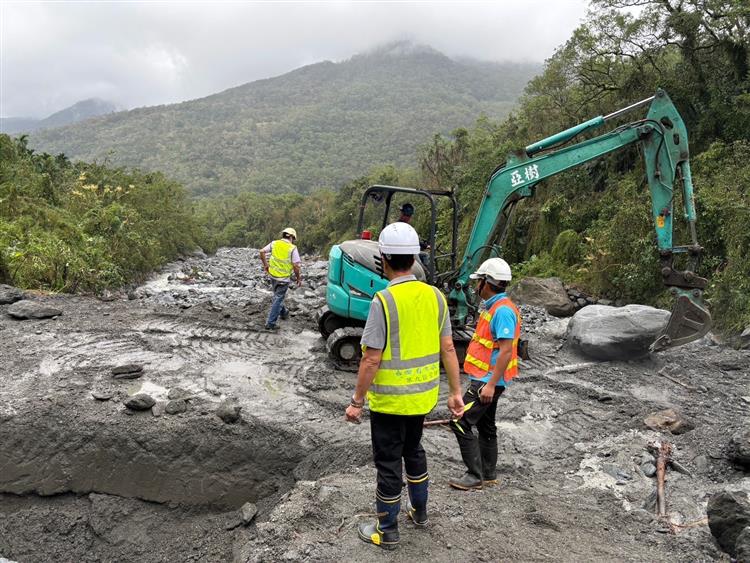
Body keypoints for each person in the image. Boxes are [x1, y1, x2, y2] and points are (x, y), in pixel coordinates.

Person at [344, 222, 464, 550]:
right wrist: (455, 393)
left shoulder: (382, 301)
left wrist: (356, 401)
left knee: (388, 462)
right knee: (414, 451)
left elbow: (370, 359)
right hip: (422, 399)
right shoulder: (436, 297)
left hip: (389, 404)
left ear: (383, 259)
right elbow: (449, 348)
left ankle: (387, 531)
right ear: (414, 259)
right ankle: (420, 513)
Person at [448, 257, 521, 491]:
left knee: (459, 422)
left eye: (479, 280)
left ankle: (474, 475)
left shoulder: (502, 312)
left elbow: (506, 350)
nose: (476, 285)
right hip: (486, 378)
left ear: (487, 283)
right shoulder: (495, 307)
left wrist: (489, 384)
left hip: (486, 381)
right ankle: (488, 473)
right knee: (486, 425)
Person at [259, 227, 301, 330]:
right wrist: (298, 278)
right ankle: (270, 323)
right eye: (293, 238)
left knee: (278, 296)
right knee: (278, 298)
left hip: (273, 276)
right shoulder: (292, 248)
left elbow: (261, 251)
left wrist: (266, 265)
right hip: (283, 279)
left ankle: (284, 313)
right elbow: (296, 266)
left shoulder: (274, 243)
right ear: (291, 237)